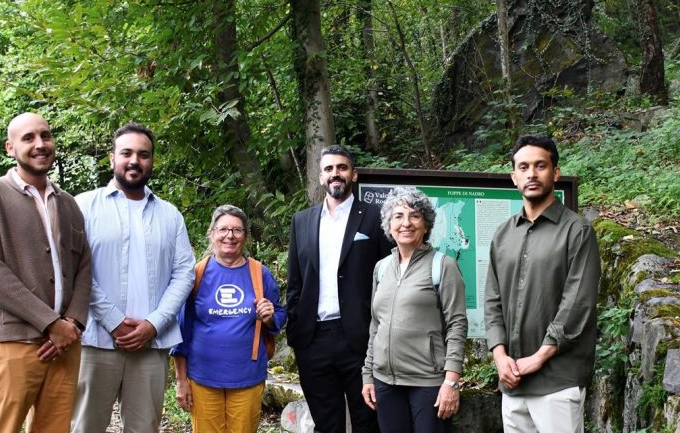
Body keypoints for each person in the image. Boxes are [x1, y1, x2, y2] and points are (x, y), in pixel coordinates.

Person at [0, 112, 92, 433]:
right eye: (29, 138)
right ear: (10, 148)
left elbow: (84, 268)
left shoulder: (69, 205)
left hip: (64, 347)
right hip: (11, 345)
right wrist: (51, 323)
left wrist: (72, 324)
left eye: (45, 136)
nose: (40, 144)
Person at [71, 122, 195, 433]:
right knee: (84, 427)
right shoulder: (83, 206)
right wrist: (113, 319)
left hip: (151, 346)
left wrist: (153, 323)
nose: (134, 161)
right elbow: (75, 268)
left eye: (143, 154)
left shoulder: (170, 215)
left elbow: (184, 274)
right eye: (126, 153)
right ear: (112, 158)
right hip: (95, 341)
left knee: (144, 429)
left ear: (152, 161)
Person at [484, 135, 601, 433]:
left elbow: (578, 303)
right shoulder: (503, 235)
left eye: (540, 166)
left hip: (557, 382)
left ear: (555, 173)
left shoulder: (577, 231)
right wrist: (500, 357)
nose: (532, 174)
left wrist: (538, 357)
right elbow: (492, 300)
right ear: (514, 177)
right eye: (523, 167)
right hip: (513, 381)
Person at [287, 144, 393, 433]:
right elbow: (295, 282)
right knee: (326, 424)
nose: (336, 174)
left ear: (354, 174)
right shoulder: (301, 221)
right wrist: (297, 331)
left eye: (342, 168)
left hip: (360, 340)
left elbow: (390, 276)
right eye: (329, 169)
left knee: (367, 422)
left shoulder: (374, 217)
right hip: (313, 339)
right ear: (321, 177)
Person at [361, 186, 467, 433]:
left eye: (414, 216)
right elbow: (376, 324)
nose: (406, 223)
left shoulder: (443, 266)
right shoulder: (382, 268)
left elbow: (457, 325)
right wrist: (368, 374)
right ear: (389, 225)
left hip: (427, 383)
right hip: (385, 382)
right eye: (398, 216)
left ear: (426, 225)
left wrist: (451, 381)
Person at [172, 205, 286, 433]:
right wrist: (181, 381)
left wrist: (270, 317)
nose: (230, 236)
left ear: (245, 236)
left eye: (237, 230)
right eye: (223, 229)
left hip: (247, 376)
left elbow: (279, 314)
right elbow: (181, 333)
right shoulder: (196, 275)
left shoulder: (259, 273)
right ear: (212, 233)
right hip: (202, 377)